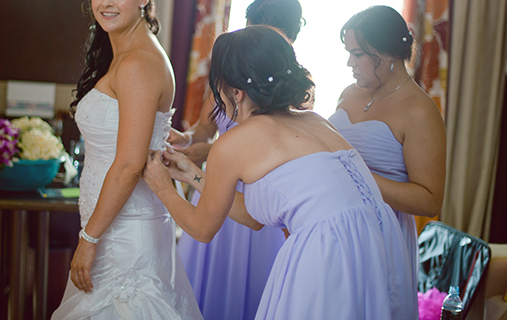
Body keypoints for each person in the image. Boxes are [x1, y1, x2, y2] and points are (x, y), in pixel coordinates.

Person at [143, 25, 417, 319]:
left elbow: (202, 229)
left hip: (327, 248)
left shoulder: (235, 141)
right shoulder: (314, 120)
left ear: (235, 92)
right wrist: (191, 174)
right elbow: (254, 217)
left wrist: (162, 187)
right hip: (378, 239)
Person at [51, 0, 202, 319]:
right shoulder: (127, 53)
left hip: (124, 238)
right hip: (113, 225)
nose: (106, 2)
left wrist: (89, 239)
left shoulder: (138, 63)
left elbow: (131, 163)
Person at [171, 0, 307, 319]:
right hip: (217, 186)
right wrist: (185, 139)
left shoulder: (288, 89)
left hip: (261, 197)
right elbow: (204, 130)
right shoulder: (227, 77)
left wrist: (209, 153)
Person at [328, 5, 446, 316]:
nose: (349, 63)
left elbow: (430, 200)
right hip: (335, 224)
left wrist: (357, 174)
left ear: (388, 54)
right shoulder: (348, 94)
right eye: (349, 53)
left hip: (381, 234)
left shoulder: (419, 111)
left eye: (357, 54)